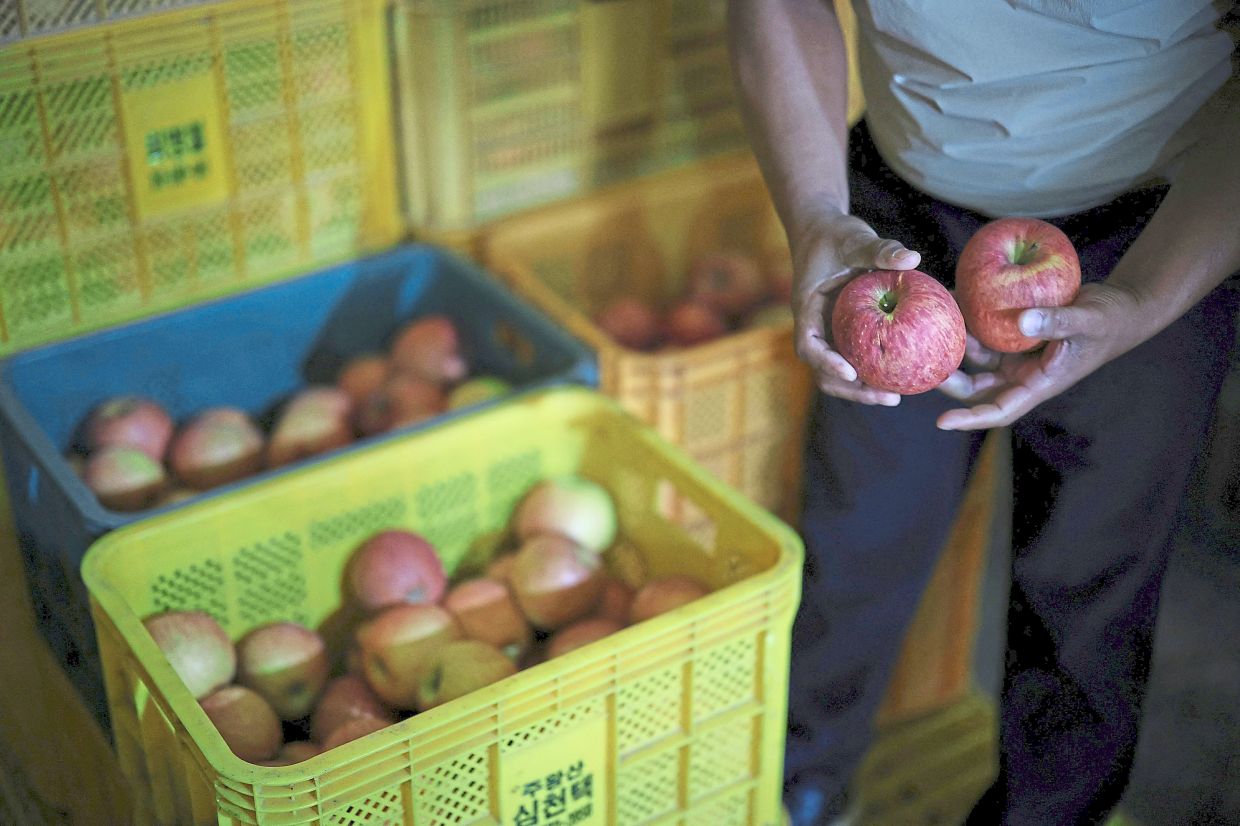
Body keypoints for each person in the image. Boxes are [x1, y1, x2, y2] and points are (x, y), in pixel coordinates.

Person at [725, 1, 1240, 824]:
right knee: (854, 541)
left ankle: (1049, 812)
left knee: (1093, 584)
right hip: (894, 229)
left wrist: (1144, 299)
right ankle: (799, 793)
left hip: (1156, 229)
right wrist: (818, 215)